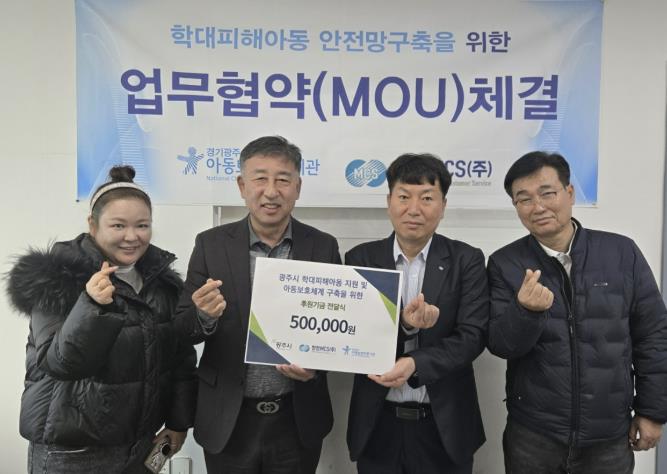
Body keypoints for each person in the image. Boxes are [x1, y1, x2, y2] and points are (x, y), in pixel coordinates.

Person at [6, 166, 197, 473]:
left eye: (142, 225)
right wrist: (92, 305)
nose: (132, 237)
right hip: (73, 453)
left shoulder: (163, 284)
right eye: (118, 225)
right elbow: (60, 363)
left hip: (140, 447)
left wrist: (178, 423)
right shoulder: (57, 278)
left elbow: (180, 359)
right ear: (92, 225)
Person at [487, 151, 667, 473]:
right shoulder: (505, 263)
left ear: (569, 193)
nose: (537, 207)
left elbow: (653, 335)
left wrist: (652, 411)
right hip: (534, 435)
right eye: (524, 199)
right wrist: (525, 311)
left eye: (547, 193)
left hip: (609, 434)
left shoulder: (620, 253)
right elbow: (501, 345)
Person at [176, 135, 341, 474]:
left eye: (283, 180)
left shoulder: (322, 246)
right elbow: (182, 329)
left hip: (296, 419)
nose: (271, 191)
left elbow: (336, 328)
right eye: (260, 178)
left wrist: (315, 367)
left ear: (298, 187)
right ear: (242, 185)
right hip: (228, 419)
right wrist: (203, 316)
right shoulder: (211, 245)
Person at [345, 153, 488, 474]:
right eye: (404, 197)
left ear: (443, 205)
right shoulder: (361, 259)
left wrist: (415, 363)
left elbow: (473, 337)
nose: (414, 209)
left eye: (426, 198)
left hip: (444, 428)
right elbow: (355, 336)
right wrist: (407, 327)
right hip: (377, 426)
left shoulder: (466, 260)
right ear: (389, 202)